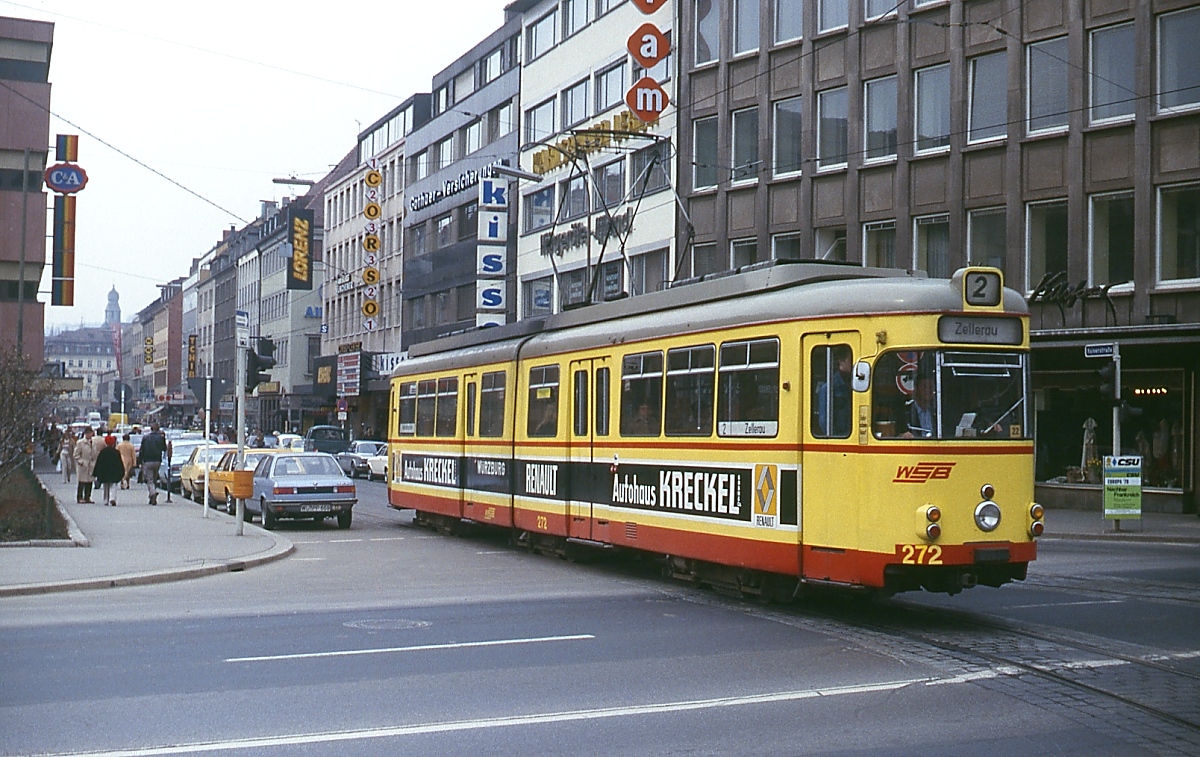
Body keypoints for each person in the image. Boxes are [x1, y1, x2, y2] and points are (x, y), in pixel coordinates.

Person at [815, 346, 853, 436]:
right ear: (841, 361)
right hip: (840, 436)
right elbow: (824, 421)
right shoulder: (828, 388)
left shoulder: (854, 382)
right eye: (850, 360)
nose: (853, 363)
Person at [138, 423, 170, 505]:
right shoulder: (160, 438)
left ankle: (153, 493)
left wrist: (140, 461)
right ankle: (152, 497)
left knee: (150, 479)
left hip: (148, 460)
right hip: (157, 460)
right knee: (154, 478)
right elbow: (164, 448)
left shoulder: (146, 438)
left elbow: (142, 450)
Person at [93, 435, 125, 506]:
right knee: (114, 485)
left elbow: (99, 463)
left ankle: (106, 500)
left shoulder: (103, 452)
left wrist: (96, 473)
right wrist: (122, 472)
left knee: (106, 486)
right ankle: (112, 498)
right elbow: (119, 463)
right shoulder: (116, 452)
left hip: (105, 472)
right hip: (114, 472)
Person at [903, 373, 937, 438]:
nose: (928, 390)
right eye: (924, 386)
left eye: (931, 387)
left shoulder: (937, 411)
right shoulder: (905, 411)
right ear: (916, 388)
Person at [73, 427, 99, 503]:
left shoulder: (94, 443)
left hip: (91, 464)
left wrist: (95, 461)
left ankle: (87, 497)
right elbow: (76, 454)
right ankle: (80, 497)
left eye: (91, 433)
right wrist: (81, 461)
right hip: (83, 465)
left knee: (90, 482)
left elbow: (95, 453)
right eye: (88, 433)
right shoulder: (80, 443)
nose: (90, 435)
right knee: (82, 482)